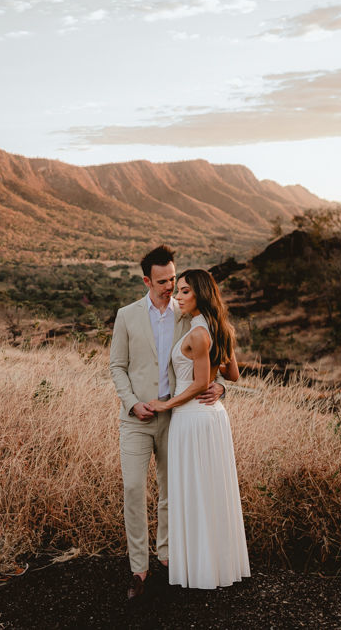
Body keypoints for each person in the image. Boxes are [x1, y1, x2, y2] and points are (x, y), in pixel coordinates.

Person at [109, 246, 227, 600]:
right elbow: (116, 366)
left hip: (175, 418)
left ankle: (167, 558)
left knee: (170, 490)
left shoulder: (187, 314)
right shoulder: (126, 315)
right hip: (136, 418)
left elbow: (212, 353)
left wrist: (220, 385)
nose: (170, 286)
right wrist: (132, 404)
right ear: (147, 280)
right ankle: (138, 568)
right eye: (162, 281)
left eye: (173, 279)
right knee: (133, 489)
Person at [148, 268, 249, 589]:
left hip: (193, 419)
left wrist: (165, 404)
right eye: (177, 291)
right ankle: (214, 564)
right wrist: (218, 386)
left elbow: (201, 382)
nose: (177, 296)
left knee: (195, 489)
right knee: (209, 489)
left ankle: (203, 568)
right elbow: (231, 375)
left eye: (185, 291)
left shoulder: (198, 333)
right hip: (213, 416)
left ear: (201, 294)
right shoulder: (220, 328)